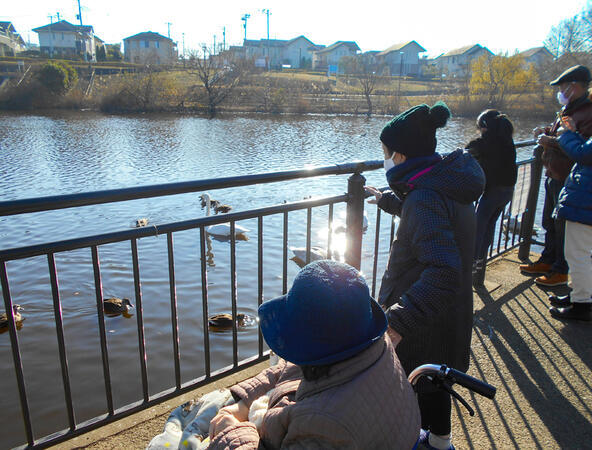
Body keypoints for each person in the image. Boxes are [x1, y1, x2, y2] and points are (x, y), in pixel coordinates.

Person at [365, 102, 485, 450]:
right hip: (448, 315)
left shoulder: (426, 198)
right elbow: (432, 220)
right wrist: (392, 201)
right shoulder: (445, 184)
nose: (384, 159)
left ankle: (420, 441)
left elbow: (443, 271)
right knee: (436, 385)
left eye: (385, 152)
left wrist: (398, 323)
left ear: (400, 156)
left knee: (414, 393)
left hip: (423, 325)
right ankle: (440, 442)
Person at [207, 260, 421, 449]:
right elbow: (289, 367)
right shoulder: (367, 341)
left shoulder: (325, 426)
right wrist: (244, 403)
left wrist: (233, 430)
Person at [520, 65, 592, 287]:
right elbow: (562, 135)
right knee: (549, 222)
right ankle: (548, 259)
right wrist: (545, 131)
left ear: (574, 87)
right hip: (554, 172)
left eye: (563, 87)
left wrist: (549, 141)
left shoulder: (588, 112)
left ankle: (561, 270)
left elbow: (581, 149)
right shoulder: (570, 110)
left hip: (569, 177)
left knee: (563, 227)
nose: (560, 91)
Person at [538, 116, 592, 321]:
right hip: (585, 200)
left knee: (577, 254)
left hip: (586, 202)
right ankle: (579, 295)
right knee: (582, 254)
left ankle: (581, 305)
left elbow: (582, 153)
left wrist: (568, 134)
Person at [466, 109, 517, 273]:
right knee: (489, 225)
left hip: (494, 191)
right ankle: (480, 262)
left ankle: (471, 265)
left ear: (485, 127)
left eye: (480, 127)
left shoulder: (486, 143)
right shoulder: (507, 141)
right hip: (508, 191)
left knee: (478, 226)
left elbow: (467, 150)